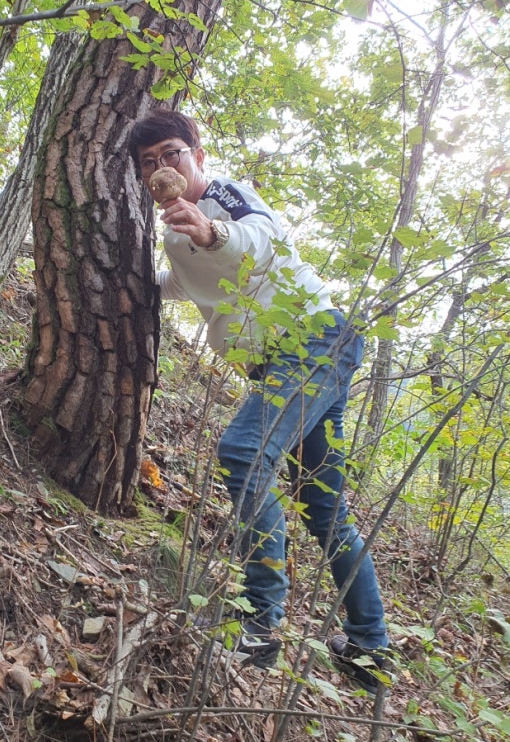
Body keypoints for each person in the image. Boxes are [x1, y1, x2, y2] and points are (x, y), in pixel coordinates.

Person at [128, 110, 391, 692]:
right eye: (148, 163)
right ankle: (370, 648)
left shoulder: (223, 197)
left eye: (171, 153)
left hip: (313, 338)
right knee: (323, 504)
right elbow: (191, 286)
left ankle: (260, 626)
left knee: (244, 451)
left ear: (197, 153)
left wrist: (210, 230)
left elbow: (260, 243)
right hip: (291, 358)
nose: (161, 169)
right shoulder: (174, 233)